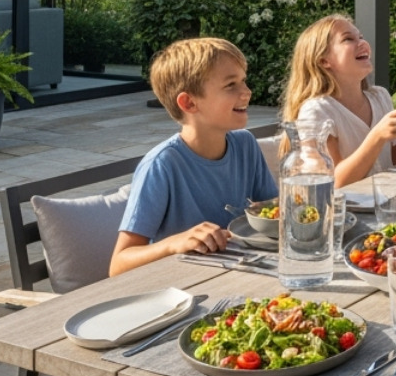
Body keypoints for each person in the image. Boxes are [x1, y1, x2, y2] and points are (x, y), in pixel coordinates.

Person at [109, 37, 277, 275]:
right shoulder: (162, 165)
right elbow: (118, 265)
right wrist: (174, 243)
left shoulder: (245, 144)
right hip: (183, 284)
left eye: (243, 81)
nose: (247, 92)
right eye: (231, 85)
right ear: (189, 103)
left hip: (238, 274)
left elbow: (274, 213)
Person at [282, 14, 396, 187]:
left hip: (386, 199)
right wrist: (377, 136)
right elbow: (334, 181)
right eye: (348, 39)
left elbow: (395, 162)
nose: (363, 43)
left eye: (361, 37)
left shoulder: (380, 96)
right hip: (346, 204)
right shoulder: (317, 110)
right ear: (324, 61)